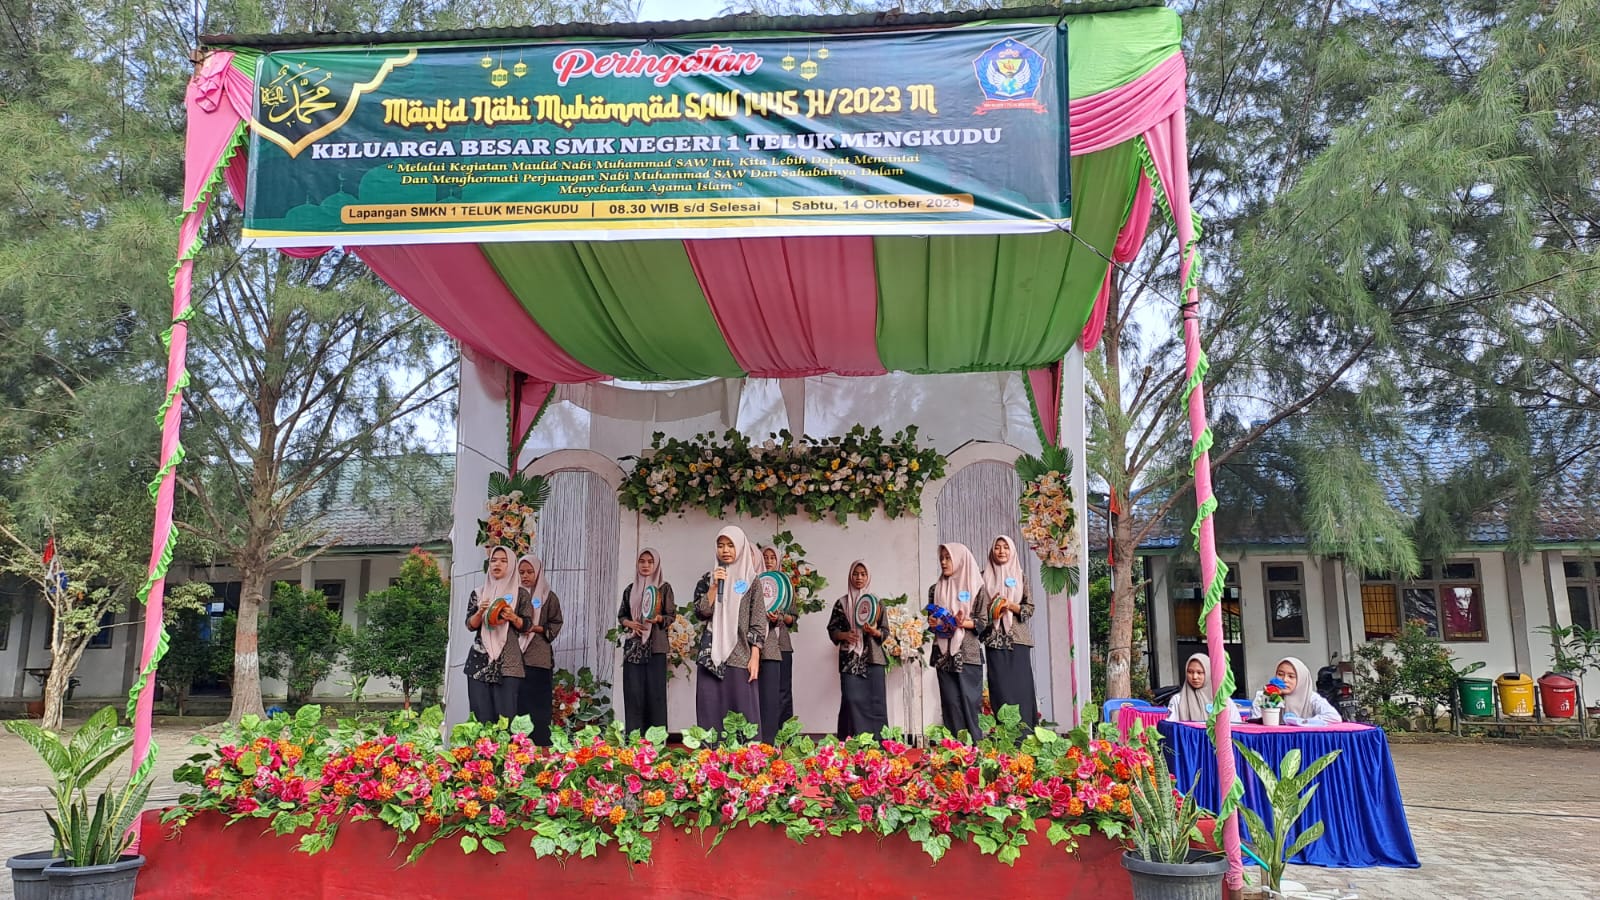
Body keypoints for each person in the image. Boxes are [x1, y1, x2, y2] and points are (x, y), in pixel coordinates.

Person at [693, 526, 766, 733]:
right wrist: (714, 587)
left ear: (741, 547)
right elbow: (701, 612)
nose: (725, 550)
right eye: (720, 545)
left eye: (730, 545)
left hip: (741, 656)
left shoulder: (751, 581)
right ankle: (712, 761)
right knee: (710, 713)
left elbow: (758, 620)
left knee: (743, 715)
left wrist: (755, 656)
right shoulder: (708, 579)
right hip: (711, 658)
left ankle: (745, 761)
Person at [928, 542, 990, 741]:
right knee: (950, 704)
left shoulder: (977, 587)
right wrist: (933, 623)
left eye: (948, 558)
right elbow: (933, 623)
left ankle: (976, 751)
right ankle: (954, 752)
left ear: (960, 559)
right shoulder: (935, 589)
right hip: (943, 654)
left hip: (968, 653)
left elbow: (983, 622)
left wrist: (962, 623)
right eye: (942, 558)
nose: (944, 562)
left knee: (970, 703)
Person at [464, 546, 531, 723]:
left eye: (503, 560)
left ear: (511, 565)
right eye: (494, 560)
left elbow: (527, 625)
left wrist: (513, 617)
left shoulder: (521, 594)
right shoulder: (478, 593)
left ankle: (505, 751)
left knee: (506, 717)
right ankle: (484, 750)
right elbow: (469, 625)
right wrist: (480, 612)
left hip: (509, 663)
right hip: (480, 662)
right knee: (481, 716)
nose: (497, 564)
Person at [980, 535, 1037, 729]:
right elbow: (976, 611)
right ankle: (1005, 736)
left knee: (1021, 688)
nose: (1001, 551)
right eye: (997, 547)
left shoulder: (1020, 577)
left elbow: (1029, 608)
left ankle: (1026, 735)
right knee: (1000, 689)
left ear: (1012, 551)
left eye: (1006, 547)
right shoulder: (982, 578)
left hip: (1018, 640)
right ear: (992, 551)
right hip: (994, 640)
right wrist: (992, 609)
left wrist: (1011, 606)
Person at [617, 548, 674, 736]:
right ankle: (634, 742)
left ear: (656, 564)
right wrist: (628, 622)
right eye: (642, 561)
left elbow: (670, 616)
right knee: (634, 696)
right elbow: (622, 615)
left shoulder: (664, 588)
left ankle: (656, 744)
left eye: (650, 561)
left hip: (655, 648)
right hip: (634, 648)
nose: (646, 565)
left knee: (655, 696)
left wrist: (657, 619)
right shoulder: (630, 589)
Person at [829, 560, 889, 739]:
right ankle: (852, 741)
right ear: (850, 576)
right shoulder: (841, 603)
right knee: (851, 699)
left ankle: (877, 744)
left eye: (863, 574)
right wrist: (844, 635)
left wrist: (874, 632)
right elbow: (832, 630)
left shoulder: (877, 602)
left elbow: (885, 632)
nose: (859, 578)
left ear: (868, 576)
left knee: (875, 701)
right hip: (850, 658)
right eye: (855, 574)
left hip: (873, 658)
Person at [516, 552, 563, 745]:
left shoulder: (548, 597)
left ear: (539, 572)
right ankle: (520, 747)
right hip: (516, 659)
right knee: (519, 704)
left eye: (529, 572)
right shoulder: (513, 595)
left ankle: (541, 745)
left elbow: (556, 622)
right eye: (521, 572)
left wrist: (535, 628)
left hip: (539, 658)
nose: (525, 576)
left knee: (539, 705)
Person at [757, 544, 798, 744]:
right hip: (757, 646)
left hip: (782, 646)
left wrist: (779, 617)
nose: (768, 560)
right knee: (762, 692)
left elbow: (794, 618)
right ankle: (764, 737)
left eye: (772, 557)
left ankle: (785, 738)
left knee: (783, 693)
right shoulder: (753, 582)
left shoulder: (786, 585)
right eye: (765, 556)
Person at [1253, 656, 1342, 726]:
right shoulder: (1263, 696)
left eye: (1291, 676)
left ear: (1301, 680)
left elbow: (1334, 717)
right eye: (1280, 674)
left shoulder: (1311, 698)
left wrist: (1301, 722)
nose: (1284, 679)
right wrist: (1269, 699)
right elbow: (1254, 724)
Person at [1167, 653, 1243, 723]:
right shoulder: (1177, 700)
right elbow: (1172, 728)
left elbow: (1236, 726)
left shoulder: (1223, 700)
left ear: (1209, 673)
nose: (1194, 677)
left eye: (1200, 673)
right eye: (1190, 672)